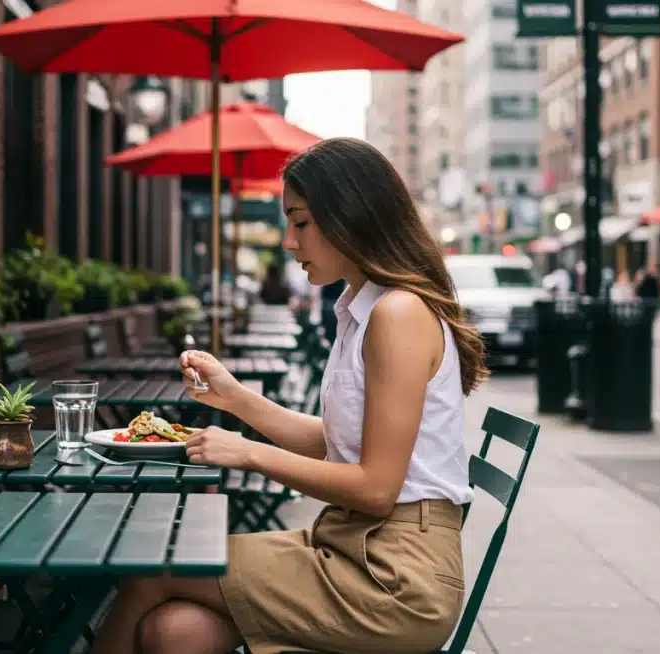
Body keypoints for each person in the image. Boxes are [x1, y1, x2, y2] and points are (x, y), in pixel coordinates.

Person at [90, 137, 488, 654]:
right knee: (174, 632)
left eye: (300, 222)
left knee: (152, 567)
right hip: (349, 549)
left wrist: (247, 453)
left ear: (349, 216)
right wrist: (234, 399)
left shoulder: (397, 314)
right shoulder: (361, 310)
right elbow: (338, 443)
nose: (288, 242)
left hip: (395, 580)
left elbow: (375, 488)